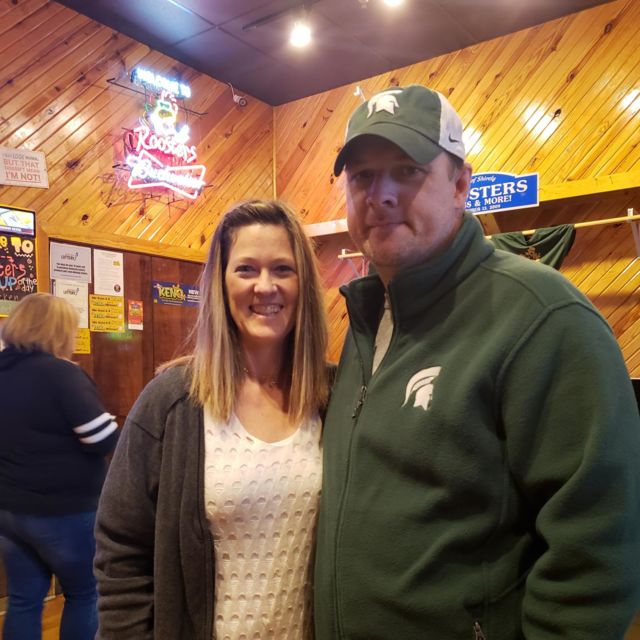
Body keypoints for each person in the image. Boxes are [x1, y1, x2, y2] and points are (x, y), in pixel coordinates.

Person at [314, 84, 640, 639]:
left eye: (407, 170)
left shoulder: (543, 316)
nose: (380, 194)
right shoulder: (366, 320)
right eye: (362, 176)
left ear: (462, 185)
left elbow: (598, 551)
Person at [94, 200, 330, 639]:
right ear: (221, 284)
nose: (265, 286)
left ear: (304, 284)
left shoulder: (330, 396)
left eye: (283, 269)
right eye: (246, 269)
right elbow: (121, 550)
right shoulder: (172, 401)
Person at [0, 293, 119, 640]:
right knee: (85, 593)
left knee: (23, 599)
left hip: (9, 510)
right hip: (64, 510)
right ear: (58, 330)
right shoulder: (61, 374)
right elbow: (102, 439)